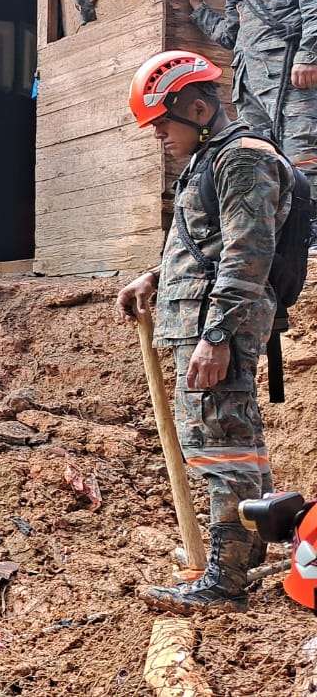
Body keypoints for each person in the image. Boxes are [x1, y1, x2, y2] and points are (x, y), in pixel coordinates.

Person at [116, 49, 290, 614]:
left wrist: (216, 336)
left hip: (218, 327)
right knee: (232, 442)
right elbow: (209, 244)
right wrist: (154, 277)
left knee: (223, 450)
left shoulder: (240, 159)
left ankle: (225, 581)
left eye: (162, 123)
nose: (157, 135)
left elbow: (247, 253)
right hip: (203, 320)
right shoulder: (211, 158)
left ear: (196, 108)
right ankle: (245, 553)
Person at [189, 0, 317, 236]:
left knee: (303, 153)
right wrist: (199, 8)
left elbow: (314, 7)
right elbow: (230, 37)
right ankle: (281, 238)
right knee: (262, 163)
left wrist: (308, 56)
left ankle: (312, 234)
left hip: (293, 80)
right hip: (250, 91)